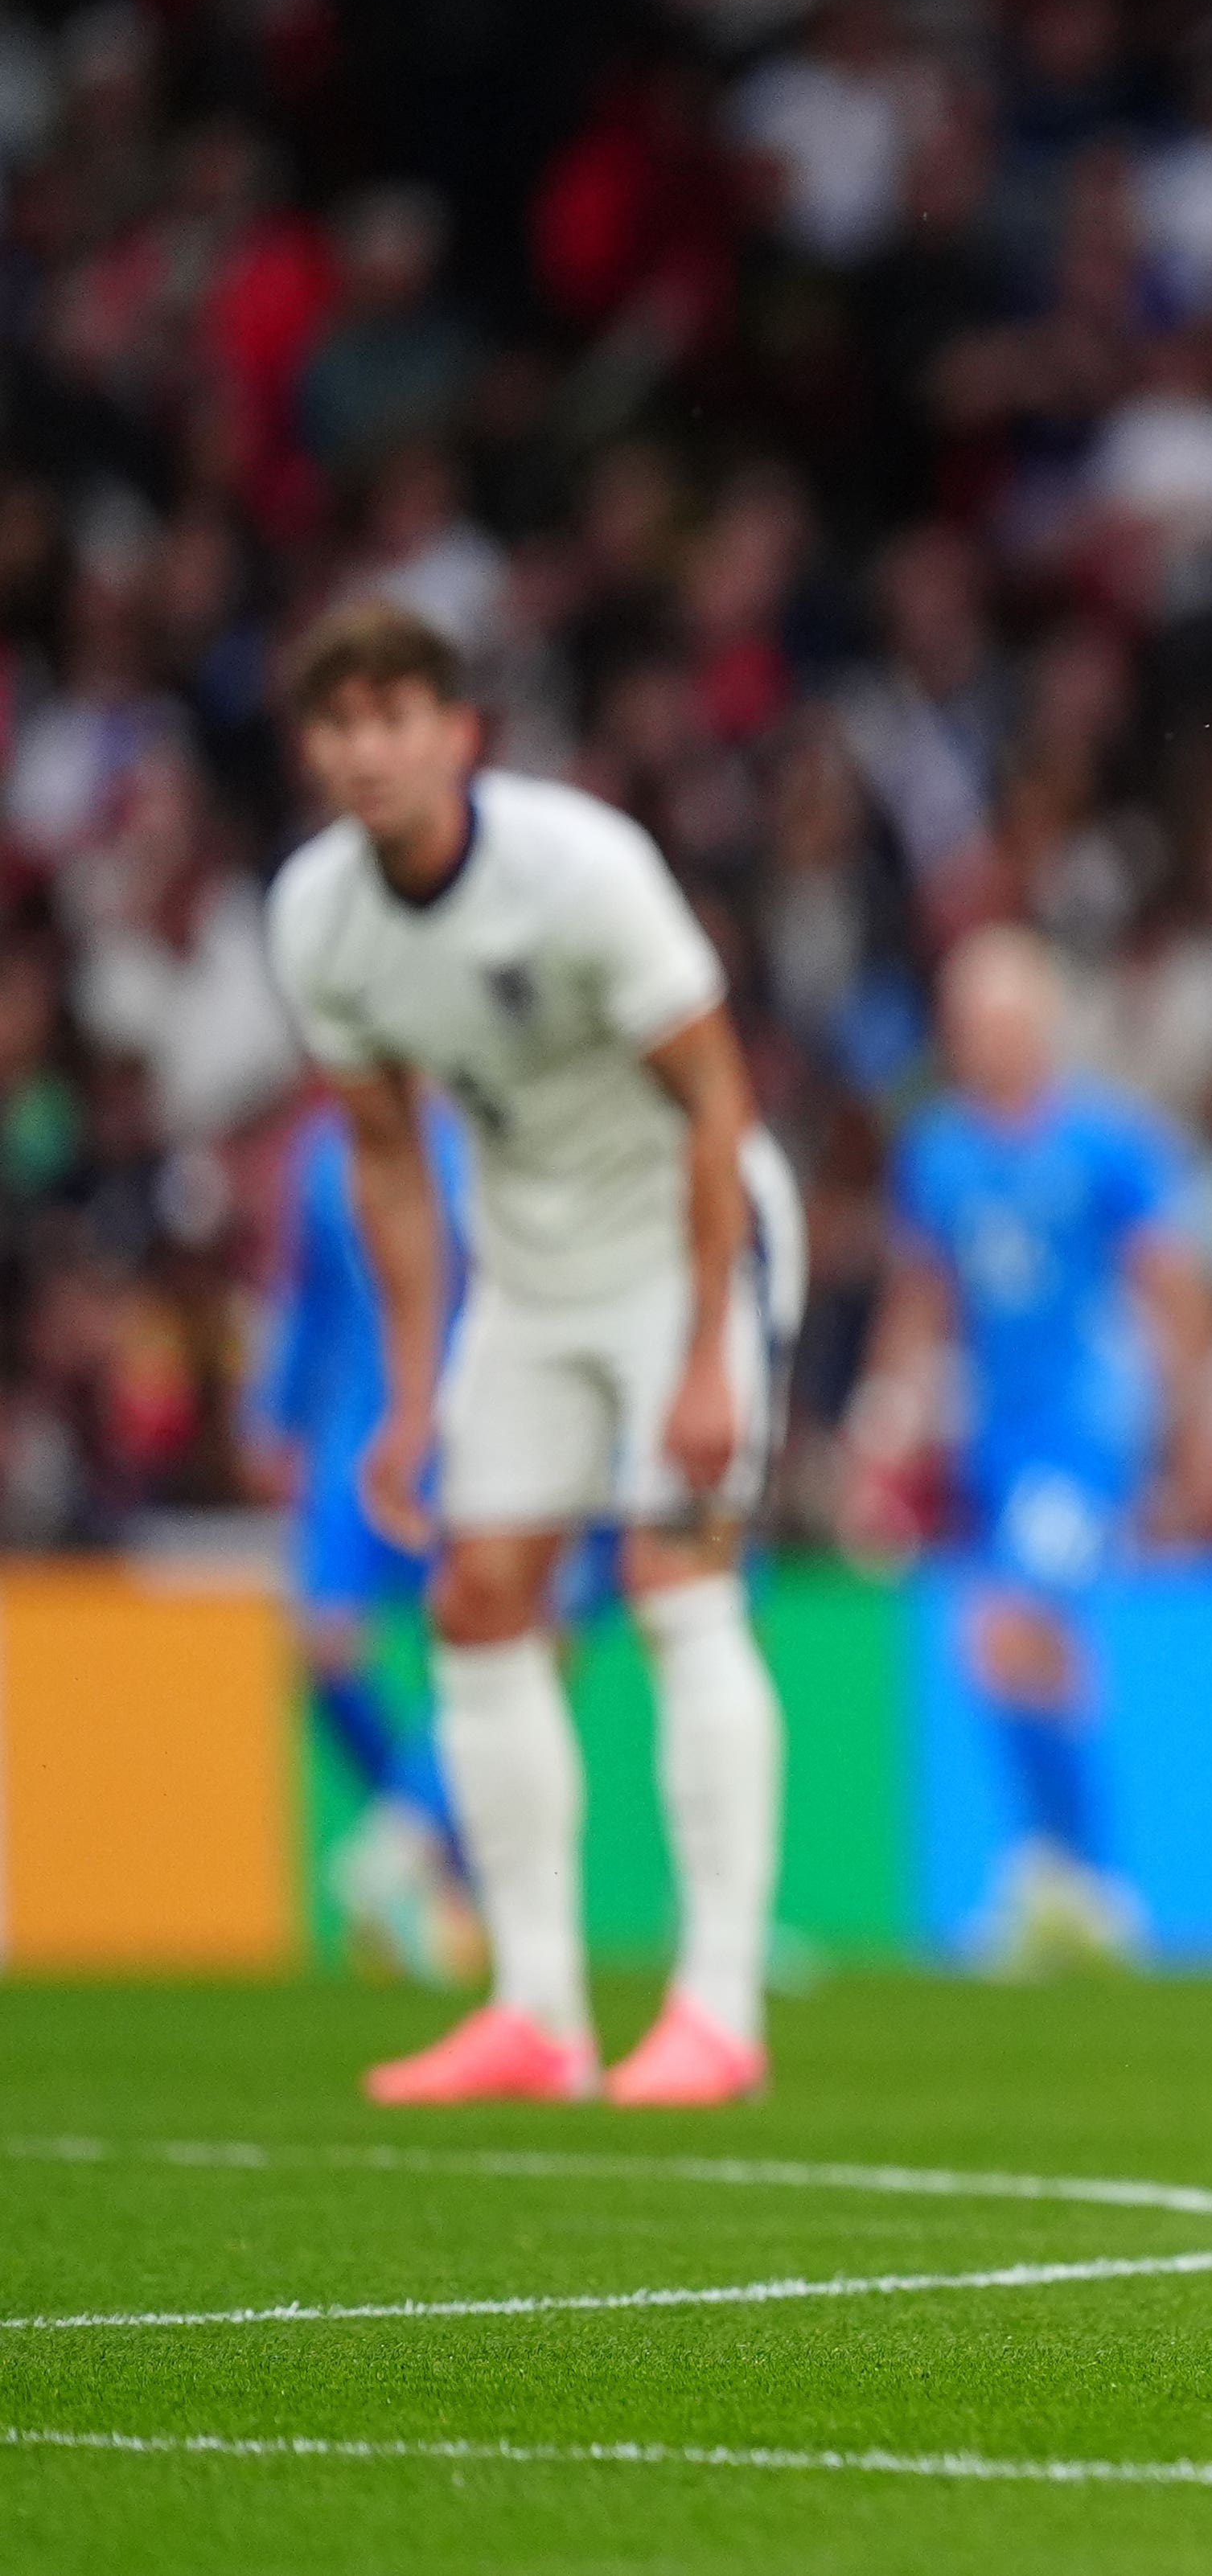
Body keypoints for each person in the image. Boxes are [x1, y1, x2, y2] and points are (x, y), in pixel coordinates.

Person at [264, 597, 808, 2110]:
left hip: (692, 1249)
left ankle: (714, 2011)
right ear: (315, 751)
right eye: (339, 724)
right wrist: (410, 1386)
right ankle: (538, 2012)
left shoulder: (579, 872)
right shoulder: (318, 917)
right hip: (532, 1271)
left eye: (394, 717)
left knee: (673, 1582)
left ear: (459, 734)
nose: (367, 751)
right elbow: (382, 1157)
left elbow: (715, 1103)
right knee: (478, 1595)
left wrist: (707, 1357)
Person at [850, 928, 1212, 1975]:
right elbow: (923, 1295)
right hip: (992, 1428)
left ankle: (1085, 1880)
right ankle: (1060, 1874)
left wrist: (1201, 1421)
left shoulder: (1105, 1144)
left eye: (1005, 1021)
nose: (989, 1042)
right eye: (970, 1025)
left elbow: (1172, 1287)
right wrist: (886, 1421)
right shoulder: (935, 1152)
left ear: (1043, 1025)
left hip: (1085, 1423)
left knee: (1009, 1629)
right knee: (1020, 1651)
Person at [253, 1089, 482, 1986]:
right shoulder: (321, 1153)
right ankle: (417, 1840)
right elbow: (305, 1293)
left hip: (463, 1425)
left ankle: (408, 1847)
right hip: (353, 1430)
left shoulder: (478, 1142)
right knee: (324, 1651)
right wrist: (276, 1412)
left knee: (476, 1641)